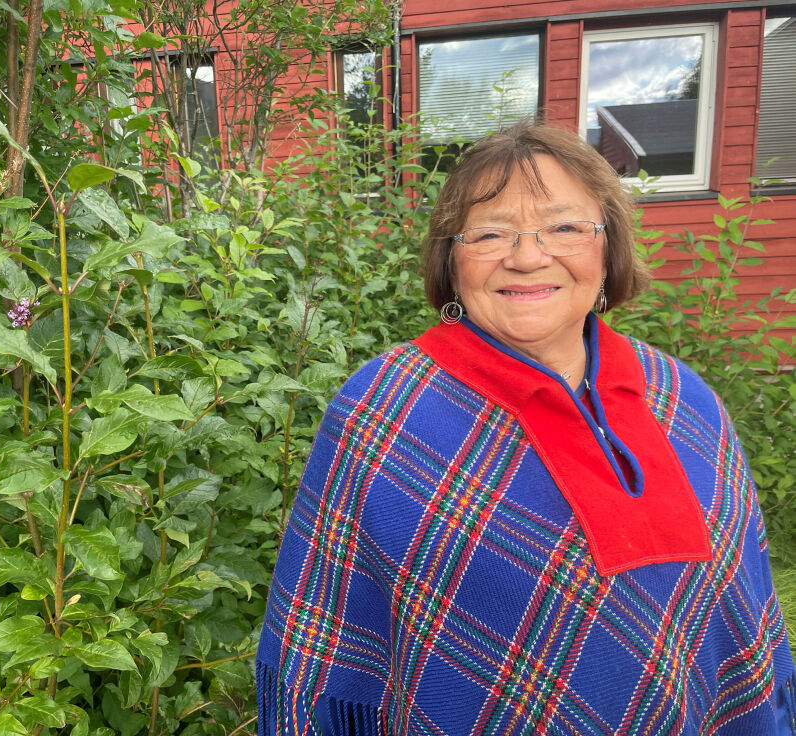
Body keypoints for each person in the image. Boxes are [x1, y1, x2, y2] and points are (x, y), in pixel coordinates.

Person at [256, 121, 796, 735]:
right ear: (452, 262)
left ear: (607, 245)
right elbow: (327, 641)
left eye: (564, 227)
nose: (527, 256)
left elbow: (739, 612)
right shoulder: (383, 411)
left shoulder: (682, 396)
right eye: (490, 232)